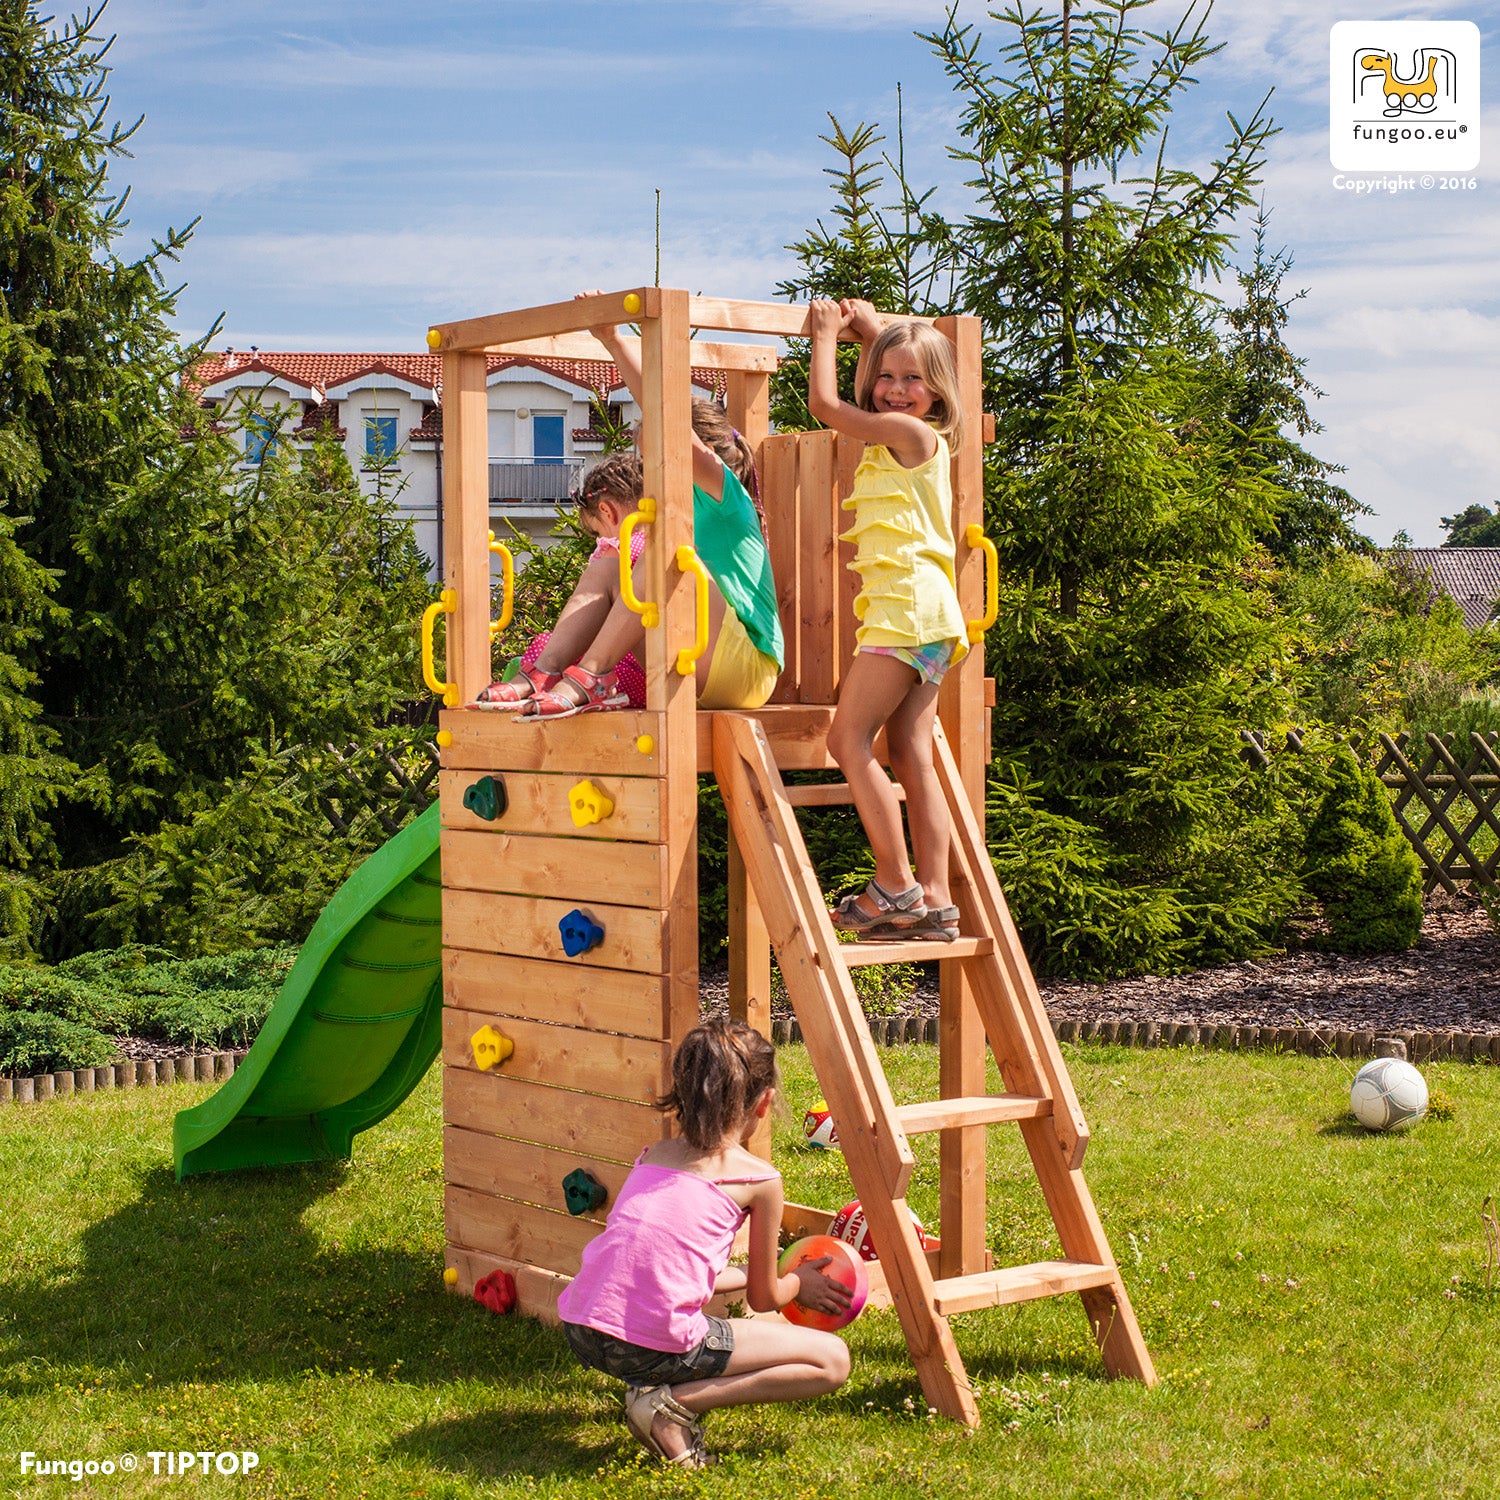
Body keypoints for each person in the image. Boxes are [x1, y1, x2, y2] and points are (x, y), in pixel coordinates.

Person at [556, 1021, 852, 1468]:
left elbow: (669, 1267)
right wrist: (795, 1283)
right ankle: (675, 1407)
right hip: (649, 1345)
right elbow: (764, 1297)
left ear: (684, 1092)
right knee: (832, 1361)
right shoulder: (758, 1180)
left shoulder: (653, 1156)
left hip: (583, 1326)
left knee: (669, 1333)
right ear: (764, 1103)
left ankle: (652, 1390)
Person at [510, 293, 783, 718]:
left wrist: (616, 343)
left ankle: (593, 674)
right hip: (689, 667)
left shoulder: (723, 493)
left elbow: (665, 420)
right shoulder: (672, 500)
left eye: (646, 436)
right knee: (610, 562)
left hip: (744, 669)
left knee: (660, 555)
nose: (642, 447)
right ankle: (544, 672)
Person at [806, 297, 969, 942]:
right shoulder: (916, 436)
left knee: (846, 742)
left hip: (904, 614)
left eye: (913, 381)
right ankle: (935, 896)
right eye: (886, 377)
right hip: (930, 616)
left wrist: (824, 336)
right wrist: (873, 330)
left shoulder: (910, 433)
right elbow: (894, 364)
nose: (897, 390)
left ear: (937, 394)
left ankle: (895, 885)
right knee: (909, 750)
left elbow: (826, 408)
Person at [475, 452, 647, 709]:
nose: (601, 540)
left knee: (546, 644)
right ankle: (550, 681)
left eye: (599, 532)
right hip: (662, 667)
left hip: (639, 674)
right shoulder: (665, 546)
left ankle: (542, 681)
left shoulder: (623, 550)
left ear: (607, 512)